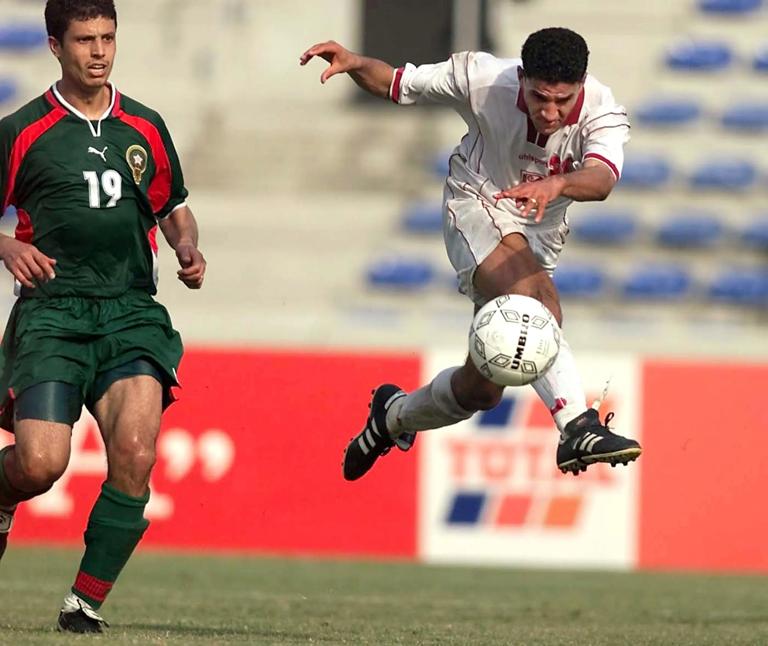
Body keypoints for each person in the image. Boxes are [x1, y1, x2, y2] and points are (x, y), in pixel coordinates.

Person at [300, 28, 642, 481]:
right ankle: (577, 427)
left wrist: (557, 184)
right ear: (522, 78)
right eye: (540, 97)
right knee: (537, 304)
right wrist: (357, 64)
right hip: (476, 201)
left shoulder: (602, 110)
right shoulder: (481, 78)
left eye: (563, 100)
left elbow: (601, 178)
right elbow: (398, 83)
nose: (551, 112)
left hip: (540, 231)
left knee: (481, 390)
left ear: (581, 85)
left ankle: (392, 417)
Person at [0, 0, 205, 633]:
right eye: (85, 39)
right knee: (40, 464)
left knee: (138, 453)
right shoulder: (22, 130)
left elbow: (172, 206)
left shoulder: (144, 126)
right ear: (55, 46)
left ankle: (82, 603)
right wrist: (8, 245)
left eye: (108, 37)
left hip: (129, 312)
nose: (99, 51)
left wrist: (186, 245)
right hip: (53, 315)